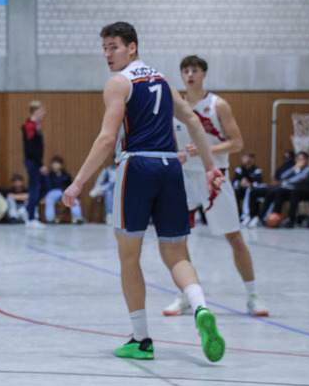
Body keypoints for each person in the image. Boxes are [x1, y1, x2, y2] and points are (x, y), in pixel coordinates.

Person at [63, 22, 225, 363]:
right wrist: (212, 169)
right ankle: (200, 309)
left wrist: (78, 182)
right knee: (176, 254)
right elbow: (194, 123)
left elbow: (108, 139)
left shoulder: (119, 83)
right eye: (104, 48)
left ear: (132, 48)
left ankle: (141, 339)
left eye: (114, 47)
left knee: (128, 256)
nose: (108, 54)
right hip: (170, 168)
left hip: (137, 167)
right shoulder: (163, 80)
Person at [165, 55, 268, 317]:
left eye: (195, 70)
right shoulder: (174, 104)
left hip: (214, 175)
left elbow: (237, 143)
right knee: (179, 239)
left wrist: (205, 150)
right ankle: (185, 295)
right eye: (185, 70)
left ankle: (253, 295)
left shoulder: (218, 104)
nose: (190, 75)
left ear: (203, 74)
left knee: (234, 237)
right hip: (184, 178)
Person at [247, 151, 309, 226]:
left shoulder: (307, 170)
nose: (300, 161)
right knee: (259, 191)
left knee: (276, 192)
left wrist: (284, 183)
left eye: (302, 159)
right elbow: (283, 176)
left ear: (306, 160)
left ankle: (267, 217)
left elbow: (298, 179)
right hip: (283, 188)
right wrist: (294, 168)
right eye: (298, 159)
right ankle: (254, 217)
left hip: (293, 190)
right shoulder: (296, 169)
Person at [22, 100, 46, 227]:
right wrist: (39, 163)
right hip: (33, 162)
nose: (44, 113)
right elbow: (31, 148)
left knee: (42, 185)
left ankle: (28, 209)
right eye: (42, 110)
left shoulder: (36, 125)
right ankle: (30, 216)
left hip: (35, 161)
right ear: (36, 110)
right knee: (34, 188)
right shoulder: (30, 126)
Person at [282, 152, 309, 227]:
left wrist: (286, 183)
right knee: (294, 192)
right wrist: (294, 169)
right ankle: (291, 219)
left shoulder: (308, 170)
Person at [42, 155, 84, 224]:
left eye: (57, 164)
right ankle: (50, 218)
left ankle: (77, 217)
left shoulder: (66, 175)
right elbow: (47, 186)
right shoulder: (49, 176)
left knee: (73, 199)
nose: (55, 166)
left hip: (65, 191)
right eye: (54, 164)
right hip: (54, 191)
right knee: (49, 198)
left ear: (61, 165)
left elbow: (70, 186)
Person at [232, 152, 264, 222]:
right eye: (245, 157)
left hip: (252, 191)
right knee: (234, 195)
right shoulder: (239, 170)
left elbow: (259, 183)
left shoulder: (256, 170)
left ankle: (252, 215)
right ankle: (238, 216)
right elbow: (234, 182)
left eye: (249, 158)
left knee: (253, 194)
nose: (247, 160)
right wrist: (240, 183)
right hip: (241, 190)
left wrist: (249, 184)